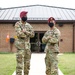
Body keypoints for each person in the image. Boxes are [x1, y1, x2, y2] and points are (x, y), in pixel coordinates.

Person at [14, 11, 34, 75]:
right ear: (21, 16)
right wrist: (27, 34)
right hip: (20, 47)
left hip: (27, 48)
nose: (26, 17)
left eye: (26, 15)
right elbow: (19, 34)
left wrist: (25, 32)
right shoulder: (18, 24)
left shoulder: (29, 25)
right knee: (19, 65)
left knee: (27, 64)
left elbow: (33, 34)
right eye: (24, 15)